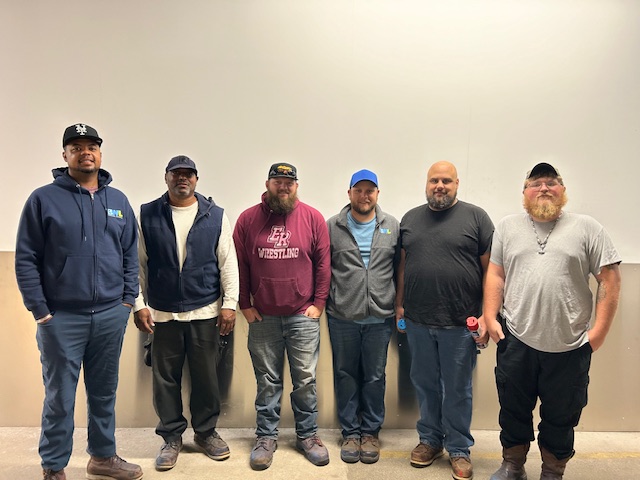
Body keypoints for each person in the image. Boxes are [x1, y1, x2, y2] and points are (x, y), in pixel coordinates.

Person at [15, 124, 142, 480]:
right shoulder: (43, 199)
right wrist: (41, 312)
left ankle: (102, 457)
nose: (85, 152)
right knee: (60, 397)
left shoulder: (117, 201)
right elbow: (26, 258)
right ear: (65, 155)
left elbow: (130, 253)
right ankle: (54, 466)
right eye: (76, 146)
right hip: (62, 319)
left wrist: (127, 301)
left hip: (109, 316)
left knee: (103, 393)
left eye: (92, 146)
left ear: (100, 153)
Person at [483, 163, 621, 480]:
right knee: (513, 408)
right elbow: (496, 273)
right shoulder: (507, 227)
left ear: (563, 190)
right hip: (516, 340)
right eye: (536, 183)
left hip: (569, 345)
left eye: (552, 182)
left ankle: (553, 470)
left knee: (562, 414)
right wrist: (490, 316)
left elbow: (609, 280)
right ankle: (513, 465)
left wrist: (598, 332)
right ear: (524, 192)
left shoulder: (588, 228)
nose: (544, 188)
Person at [133, 155, 239, 471]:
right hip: (162, 314)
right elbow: (137, 264)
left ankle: (205, 433)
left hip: (205, 311)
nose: (183, 179)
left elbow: (227, 261)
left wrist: (230, 304)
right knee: (165, 380)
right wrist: (139, 304)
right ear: (166, 177)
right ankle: (171, 438)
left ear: (196, 179)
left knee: (206, 378)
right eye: (176, 173)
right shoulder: (148, 214)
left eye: (188, 174)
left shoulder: (215, 215)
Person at [395, 161, 494, 480]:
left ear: (457, 184)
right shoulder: (410, 219)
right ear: (426, 183)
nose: (440, 185)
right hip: (419, 321)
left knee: (457, 389)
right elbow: (403, 266)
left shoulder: (476, 217)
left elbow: (492, 271)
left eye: (446, 181)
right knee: (424, 384)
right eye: (434, 180)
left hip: (460, 323)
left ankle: (459, 449)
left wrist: (486, 315)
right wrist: (400, 305)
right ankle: (430, 440)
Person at [232, 163, 331, 470]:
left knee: (305, 381)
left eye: (289, 182)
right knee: (267, 381)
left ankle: (307, 435)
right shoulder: (248, 219)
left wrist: (318, 303)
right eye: (278, 181)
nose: (283, 186)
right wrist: (244, 304)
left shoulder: (313, 218)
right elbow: (240, 265)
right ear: (268, 183)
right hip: (263, 317)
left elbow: (323, 264)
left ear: (296, 186)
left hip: (303, 316)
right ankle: (265, 437)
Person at [325, 169, 400, 464]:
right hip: (342, 316)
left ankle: (370, 433)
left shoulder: (392, 225)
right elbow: (323, 269)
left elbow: (399, 268)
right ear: (349, 193)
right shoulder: (332, 226)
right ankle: (351, 433)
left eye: (370, 190)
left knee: (374, 376)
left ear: (377, 194)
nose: (364, 195)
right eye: (359, 190)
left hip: (380, 318)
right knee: (345, 375)